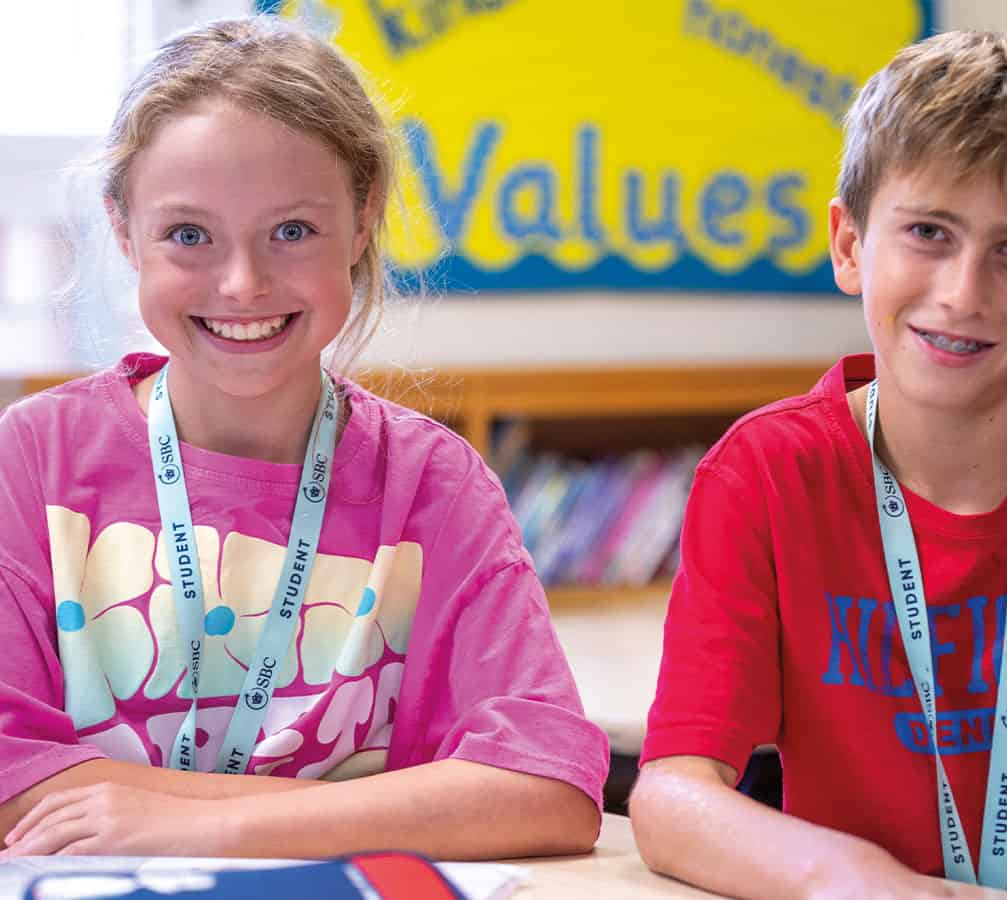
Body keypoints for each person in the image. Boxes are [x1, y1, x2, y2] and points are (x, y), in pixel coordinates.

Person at [0, 15, 608, 860]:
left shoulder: (433, 484)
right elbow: (11, 780)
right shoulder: (32, 460)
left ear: (362, 222)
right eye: (189, 235)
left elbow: (548, 788)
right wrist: (394, 809)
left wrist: (205, 823)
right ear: (122, 230)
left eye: (292, 231)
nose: (243, 283)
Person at [630, 30, 1007, 900]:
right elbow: (669, 796)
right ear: (849, 246)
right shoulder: (765, 475)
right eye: (929, 231)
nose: (963, 292)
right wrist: (844, 875)